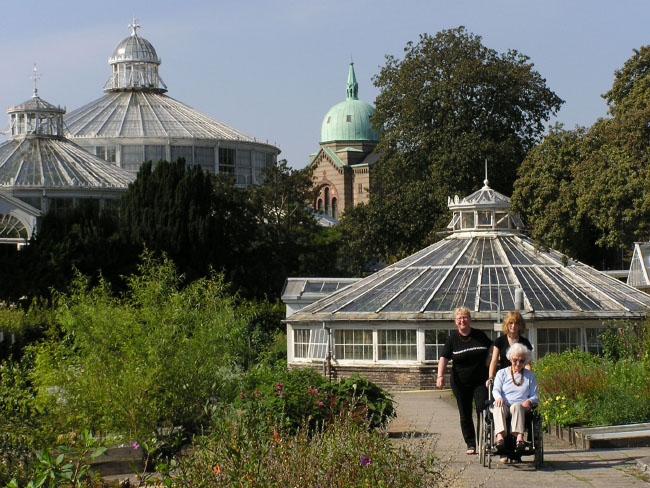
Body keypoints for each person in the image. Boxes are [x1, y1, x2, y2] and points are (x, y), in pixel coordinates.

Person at [437, 307, 492, 455]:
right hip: (461, 383)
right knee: (465, 413)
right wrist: (440, 376)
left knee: (483, 410)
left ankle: (484, 442)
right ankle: (471, 444)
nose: (462, 320)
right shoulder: (452, 339)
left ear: (470, 319)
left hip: (480, 381)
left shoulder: (479, 335)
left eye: (465, 317)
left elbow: (493, 347)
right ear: (456, 322)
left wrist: (489, 358)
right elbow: (444, 358)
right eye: (459, 318)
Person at [492, 342, 539, 462]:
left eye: (522, 361)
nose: (518, 363)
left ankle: (519, 438)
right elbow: (496, 390)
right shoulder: (502, 373)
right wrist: (499, 398)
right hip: (504, 406)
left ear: (526, 361)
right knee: (498, 407)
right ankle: (500, 437)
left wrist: (529, 401)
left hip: (522, 407)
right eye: (515, 360)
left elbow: (535, 395)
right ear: (510, 358)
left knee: (517, 406)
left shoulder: (529, 375)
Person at [486, 311, 532, 388]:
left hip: (520, 377)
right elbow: (494, 361)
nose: (513, 326)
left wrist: (530, 378)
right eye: (511, 323)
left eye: (516, 323)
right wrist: (490, 377)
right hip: (504, 377)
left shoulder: (525, 342)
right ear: (506, 324)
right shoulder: (499, 341)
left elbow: (527, 364)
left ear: (520, 325)